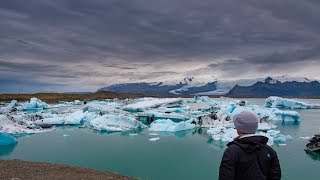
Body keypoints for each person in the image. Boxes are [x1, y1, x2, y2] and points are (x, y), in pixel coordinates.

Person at [219, 111, 281, 180]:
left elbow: (226, 177)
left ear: (238, 129)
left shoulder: (232, 151)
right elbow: (275, 176)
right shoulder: (269, 150)